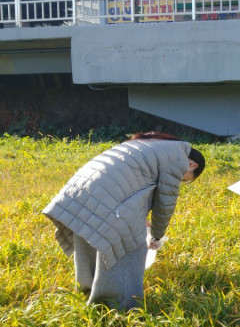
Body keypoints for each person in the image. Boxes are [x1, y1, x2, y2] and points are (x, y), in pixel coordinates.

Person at [42, 132, 205, 310]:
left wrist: (140, 219)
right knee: (129, 245)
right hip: (104, 192)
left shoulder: (153, 144)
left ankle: (88, 292)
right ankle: (118, 307)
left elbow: (129, 183)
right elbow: (165, 204)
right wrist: (157, 236)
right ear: (192, 165)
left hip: (80, 190)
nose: (181, 181)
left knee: (88, 233)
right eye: (184, 179)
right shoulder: (178, 159)